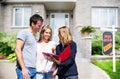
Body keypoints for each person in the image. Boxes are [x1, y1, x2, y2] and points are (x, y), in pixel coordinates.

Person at [15, 14, 43, 79]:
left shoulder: (34, 37)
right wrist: (23, 68)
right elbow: (17, 49)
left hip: (33, 69)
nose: (40, 28)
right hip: (26, 69)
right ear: (33, 24)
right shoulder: (24, 32)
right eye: (39, 26)